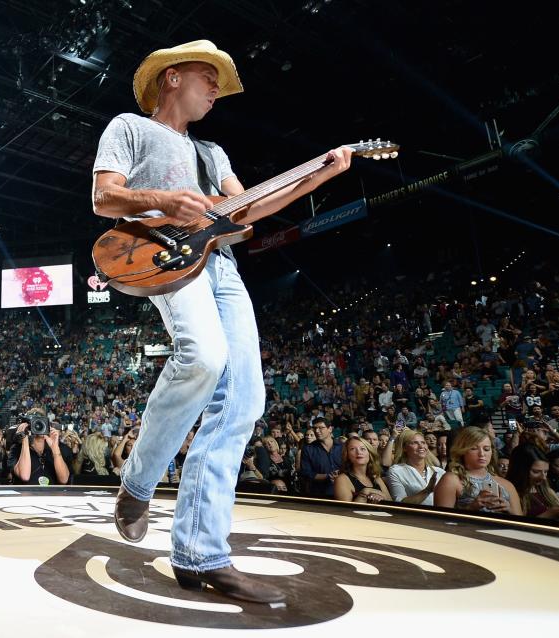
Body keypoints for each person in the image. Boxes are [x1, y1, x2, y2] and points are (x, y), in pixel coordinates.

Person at [92, 39, 353, 603]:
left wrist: (321, 175)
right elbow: (104, 198)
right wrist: (166, 199)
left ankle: (200, 553)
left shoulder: (214, 154)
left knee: (245, 401)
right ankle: (139, 480)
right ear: (171, 78)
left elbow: (250, 210)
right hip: (163, 256)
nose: (216, 88)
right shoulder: (129, 129)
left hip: (222, 267)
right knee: (204, 358)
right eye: (208, 77)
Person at [434, 426, 522, 515]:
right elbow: (441, 521)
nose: (482, 454)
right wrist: (472, 507)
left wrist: (509, 510)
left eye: (486, 449)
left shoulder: (505, 484)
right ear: (462, 451)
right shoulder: (451, 480)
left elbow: (522, 522)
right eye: (474, 448)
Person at [8, 412, 72, 486]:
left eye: (42, 421)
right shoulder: (16, 449)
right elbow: (25, 476)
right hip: (27, 496)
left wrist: (55, 448)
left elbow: (64, 479)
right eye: (35, 422)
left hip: (51, 495)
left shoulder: (55, 450)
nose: (39, 425)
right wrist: (24, 437)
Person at [385, 429, 445, 505]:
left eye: (423, 443)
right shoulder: (396, 471)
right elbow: (399, 503)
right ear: (404, 448)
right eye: (415, 443)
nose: (421, 446)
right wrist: (427, 491)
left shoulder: (440, 472)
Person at [506, 445, 559, 519]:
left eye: (545, 472)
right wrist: (549, 514)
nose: (543, 477)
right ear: (520, 470)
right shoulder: (509, 493)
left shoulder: (547, 491)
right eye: (536, 472)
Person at [333, 435, 391, 504]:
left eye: (362, 449)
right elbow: (344, 512)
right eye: (352, 449)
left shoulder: (376, 477)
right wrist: (364, 493)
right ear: (347, 455)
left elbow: (391, 502)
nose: (359, 452)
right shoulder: (342, 479)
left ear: (369, 453)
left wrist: (380, 495)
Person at [300, 417, 344, 497]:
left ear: (330, 429)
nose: (317, 431)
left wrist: (340, 476)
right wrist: (328, 476)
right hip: (320, 493)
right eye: (314, 428)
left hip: (344, 491)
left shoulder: (342, 447)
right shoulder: (308, 449)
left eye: (321, 428)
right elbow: (306, 473)